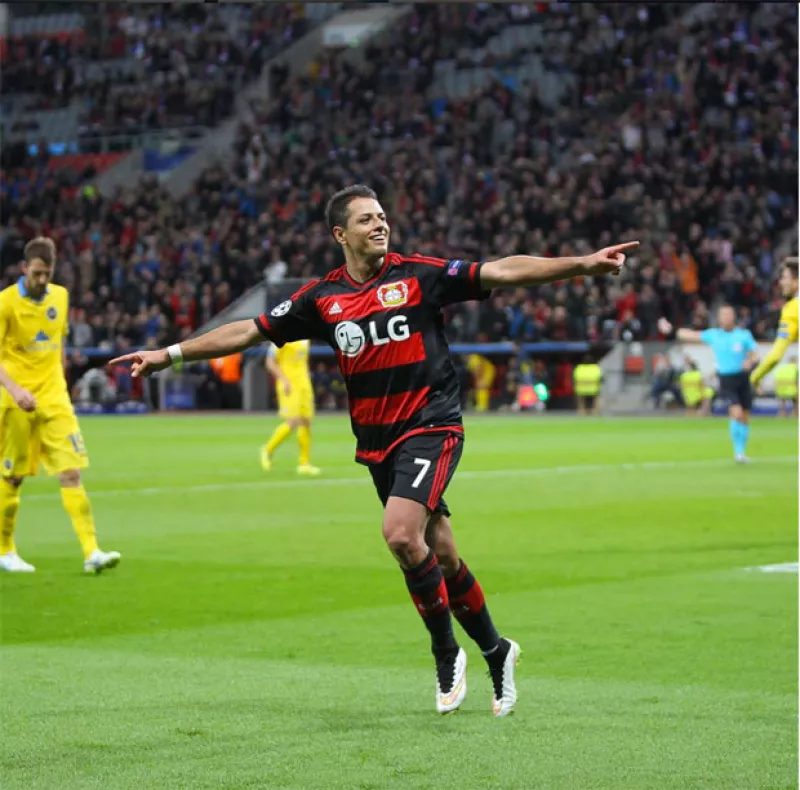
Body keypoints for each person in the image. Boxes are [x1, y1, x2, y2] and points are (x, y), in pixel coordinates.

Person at [111, 184, 637, 717]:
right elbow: (249, 330)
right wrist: (169, 355)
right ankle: (497, 650)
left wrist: (582, 265)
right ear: (341, 234)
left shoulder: (418, 275)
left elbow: (499, 271)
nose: (380, 225)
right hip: (377, 444)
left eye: (382, 216)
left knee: (400, 535)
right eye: (366, 219)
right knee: (443, 554)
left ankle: (444, 652)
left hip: (432, 426)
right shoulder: (322, 298)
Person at [0, 237, 121, 574]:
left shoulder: (61, 297)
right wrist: (13, 388)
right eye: (37, 273)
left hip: (54, 398)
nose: (42, 280)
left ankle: (91, 551)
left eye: (47, 274)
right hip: (16, 401)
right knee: (13, 477)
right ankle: (5, 550)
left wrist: (63, 383)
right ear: (25, 268)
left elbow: (59, 343)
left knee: (71, 472)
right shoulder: (5, 303)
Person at [659, 305, 759, 463]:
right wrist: (671, 330)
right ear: (719, 319)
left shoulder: (744, 335)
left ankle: (742, 451)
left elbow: (754, 354)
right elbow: (691, 335)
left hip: (743, 378)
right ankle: (738, 453)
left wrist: (750, 362)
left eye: (728, 314)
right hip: (727, 379)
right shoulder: (714, 335)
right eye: (723, 315)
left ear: (734, 317)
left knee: (745, 417)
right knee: (736, 412)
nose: (726, 318)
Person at [261, 339, 320, 475]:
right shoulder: (281, 336)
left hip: (304, 384)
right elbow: (269, 362)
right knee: (293, 422)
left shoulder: (306, 337)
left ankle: (304, 464)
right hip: (289, 384)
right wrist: (283, 379)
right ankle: (268, 450)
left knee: (306, 421)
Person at [750, 258, 799, 392]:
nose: (781, 282)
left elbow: (776, 355)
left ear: (796, 282)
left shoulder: (793, 309)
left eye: (784, 278)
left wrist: (755, 377)